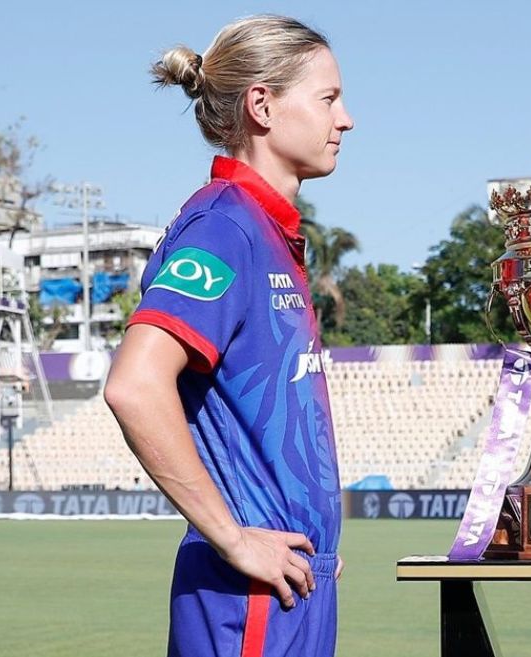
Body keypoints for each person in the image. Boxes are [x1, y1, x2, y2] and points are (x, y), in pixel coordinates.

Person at [104, 15, 354, 657]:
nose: (346, 119)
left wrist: (316, 547)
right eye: (328, 98)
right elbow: (135, 385)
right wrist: (235, 538)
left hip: (290, 585)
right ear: (262, 105)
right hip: (246, 596)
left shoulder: (267, 233)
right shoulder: (224, 228)